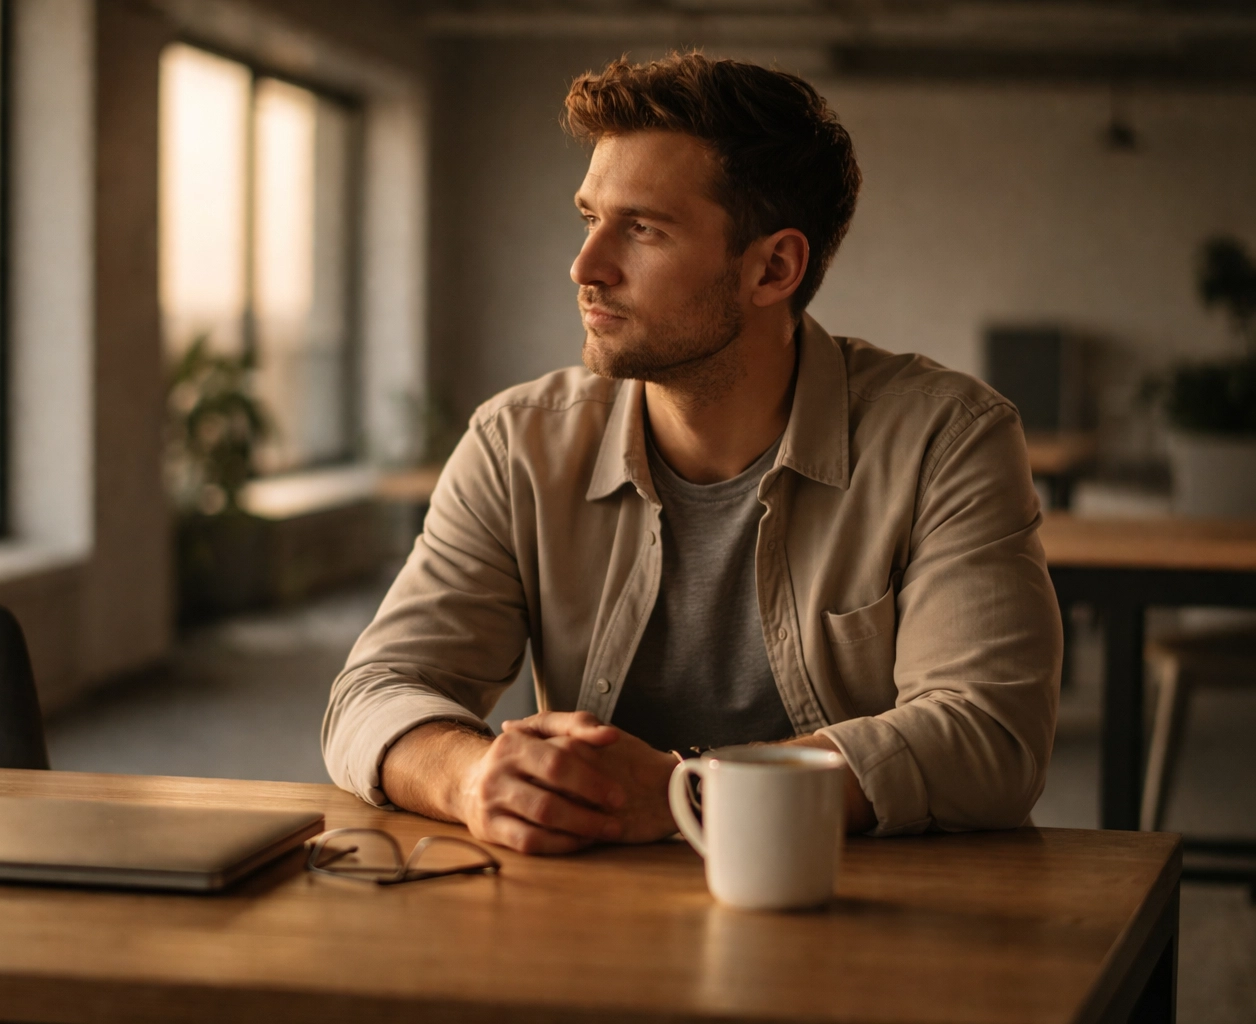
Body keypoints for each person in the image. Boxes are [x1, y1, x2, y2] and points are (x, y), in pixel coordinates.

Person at [322, 52, 1062, 854]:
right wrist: (472, 778)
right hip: (594, 915)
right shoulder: (517, 444)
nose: (586, 267)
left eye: (642, 229)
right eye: (588, 218)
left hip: (860, 907)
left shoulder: (946, 439)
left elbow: (990, 736)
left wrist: (693, 793)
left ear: (773, 267)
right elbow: (376, 691)